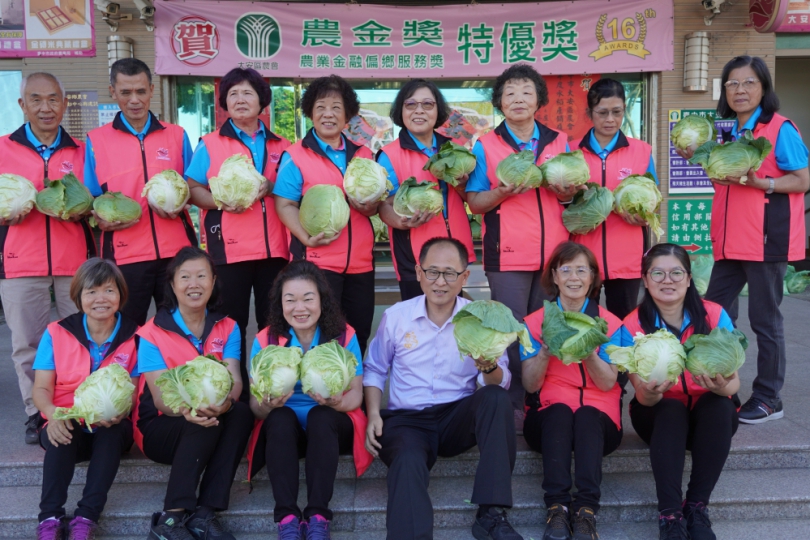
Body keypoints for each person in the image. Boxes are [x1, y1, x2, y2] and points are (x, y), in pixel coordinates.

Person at [676, 55, 809, 424]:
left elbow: (802, 179)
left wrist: (762, 182)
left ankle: (769, 398)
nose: (740, 90)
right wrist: (701, 161)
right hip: (730, 240)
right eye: (732, 84)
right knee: (714, 312)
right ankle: (720, 384)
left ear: (763, 87)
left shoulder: (780, 128)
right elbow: (729, 183)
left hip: (767, 238)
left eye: (749, 82)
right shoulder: (730, 132)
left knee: (765, 320)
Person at [364, 237, 521, 540]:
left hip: (455, 419)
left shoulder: (480, 318)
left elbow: (501, 381)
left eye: (450, 273)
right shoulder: (397, 316)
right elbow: (375, 368)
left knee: (496, 398)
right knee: (407, 460)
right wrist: (372, 414)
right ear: (419, 274)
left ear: (465, 277)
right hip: (407, 422)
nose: (440, 281)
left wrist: (487, 365)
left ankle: (491, 513)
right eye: (432, 272)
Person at [465, 63, 577, 428]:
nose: (518, 99)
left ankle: (543, 396)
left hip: (553, 255)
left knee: (546, 330)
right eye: (509, 93)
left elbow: (572, 200)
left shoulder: (559, 141)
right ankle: (512, 399)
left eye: (526, 92)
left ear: (539, 100)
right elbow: (475, 202)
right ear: (499, 101)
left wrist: (568, 193)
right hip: (508, 254)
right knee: (511, 331)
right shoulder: (487, 144)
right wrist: (501, 191)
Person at [0, 72, 96, 443]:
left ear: (64, 104)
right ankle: (35, 413)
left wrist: (86, 211)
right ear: (22, 105)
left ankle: (80, 405)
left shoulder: (82, 151)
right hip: (20, 260)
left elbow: (98, 202)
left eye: (53, 99)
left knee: (81, 339)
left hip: (76, 262)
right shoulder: (4, 148)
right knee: (28, 341)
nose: (45, 107)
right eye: (36, 100)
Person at [245, 260, 371, 539]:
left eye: (308, 299)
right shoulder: (266, 340)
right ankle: (287, 517)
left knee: (321, 415)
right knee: (278, 418)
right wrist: (267, 405)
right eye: (290, 300)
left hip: (330, 427)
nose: (299, 308)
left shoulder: (343, 335)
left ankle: (317, 516)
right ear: (280, 304)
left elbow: (356, 395)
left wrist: (337, 402)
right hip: (284, 430)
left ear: (322, 301)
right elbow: (255, 406)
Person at [134, 247, 253, 540]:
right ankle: (170, 518)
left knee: (240, 413)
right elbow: (160, 399)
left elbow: (235, 380)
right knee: (199, 423)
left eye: (202, 276)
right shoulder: (152, 333)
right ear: (173, 284)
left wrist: (224, 406)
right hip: (160, 427)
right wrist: (191, 410)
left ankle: (204, 513)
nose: (194, 284)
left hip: (212, 419)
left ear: (213, 281)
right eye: (185, 277)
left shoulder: (228, 326)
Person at [622, 244, 740, 540]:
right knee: (671, 408)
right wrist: (652, 391)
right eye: (657, 273)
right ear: (645, 280)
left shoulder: (715, 315)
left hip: (707, 420)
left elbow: (735, 383)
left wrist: (723, 386)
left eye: (676, 273)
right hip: (657, 416)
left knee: (721, 405)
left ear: (689, 278)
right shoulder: (632, 324)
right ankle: (670, 514)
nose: (667, 280)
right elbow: (641, 394)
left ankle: (697, 506)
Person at [186, 67, 291, 395]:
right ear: (224, 103)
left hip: (275, 249)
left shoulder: (281, 145)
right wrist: (221, 201)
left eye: (248, 93)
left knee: (272, 323)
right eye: (233, 94)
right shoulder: (210, 143)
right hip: (227, 249)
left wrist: (272, 185)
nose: (241, 100)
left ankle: (270, 389)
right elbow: (192, 187)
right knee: (229, 326)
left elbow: (291, 189)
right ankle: (235, 393)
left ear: (262, 101)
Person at [520, 242, 623, 540]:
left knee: (589, 414)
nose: (573, 277)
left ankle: (587, 511)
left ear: (592, 278)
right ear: (554, 276)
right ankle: (556, 508)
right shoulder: (533, 323)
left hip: (600, 424)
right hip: (548, 421)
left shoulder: (611, 324)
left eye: (582, 270)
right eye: (566, 270)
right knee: (561, 412)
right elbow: (529, 385)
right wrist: (543, 353)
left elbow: (607, 384)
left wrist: (589, 352)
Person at [84, 58, 197, 327]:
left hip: (176, 253)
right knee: (125, 328)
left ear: (152, 89)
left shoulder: (177, 135)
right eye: (125, 92)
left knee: (179, 326)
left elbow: (192, 189)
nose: (134, 100)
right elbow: (90, 200)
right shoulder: (96, 140)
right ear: (113, 92)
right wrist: (97, 218)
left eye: (141, 91)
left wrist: (183, 203)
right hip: (124, 255)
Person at [32, 258, 139, 540]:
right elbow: (42, 388)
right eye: (91, 292)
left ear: (121, 295)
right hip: (68, 419)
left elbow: (135, 389)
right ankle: (50, 518)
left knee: (113, 430)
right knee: (60, 430)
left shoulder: (136, 335)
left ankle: (86, 518)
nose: (100, 299)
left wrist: (120, 411)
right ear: (78, 297)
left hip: (112, 428)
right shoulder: (57, 332)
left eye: (109, 290)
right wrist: (53, 413)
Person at [275, 75, 378, 353]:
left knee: (358, 334)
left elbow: (373, 204)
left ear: (347, 115)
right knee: (320, 337)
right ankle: (320, 394)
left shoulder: (363, 154)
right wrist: (305, 238)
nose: (328, 114)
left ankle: (352, 395)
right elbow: (284, 204)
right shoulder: (295, 155)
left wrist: (370, 206)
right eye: (320, 107)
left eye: (336, 107)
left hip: (360, 263)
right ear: (310, 112)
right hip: (317, 264)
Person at [376, 79, 475, 300]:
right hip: (414, 257)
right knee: (417, 324)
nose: (419, 110)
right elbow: (384, 204)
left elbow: (471, 198)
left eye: (427, 104)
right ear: (400, 111)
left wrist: (460, 184)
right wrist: (400, 221)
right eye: (411, 104)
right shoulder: (389, 155)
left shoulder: (455, 150)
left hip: (455, 252)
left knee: (455, 326)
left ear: (437, 110)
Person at [572, 78, 659, 320]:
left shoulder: (641, 151)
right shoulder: (571, 151)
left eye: (617, 112)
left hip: (627, 256)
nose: (610, 119)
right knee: (583, 322)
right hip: (582, 255)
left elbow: (654, 199)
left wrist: (644, 216)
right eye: (602, 112)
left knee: (624, 323)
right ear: (590, 113)